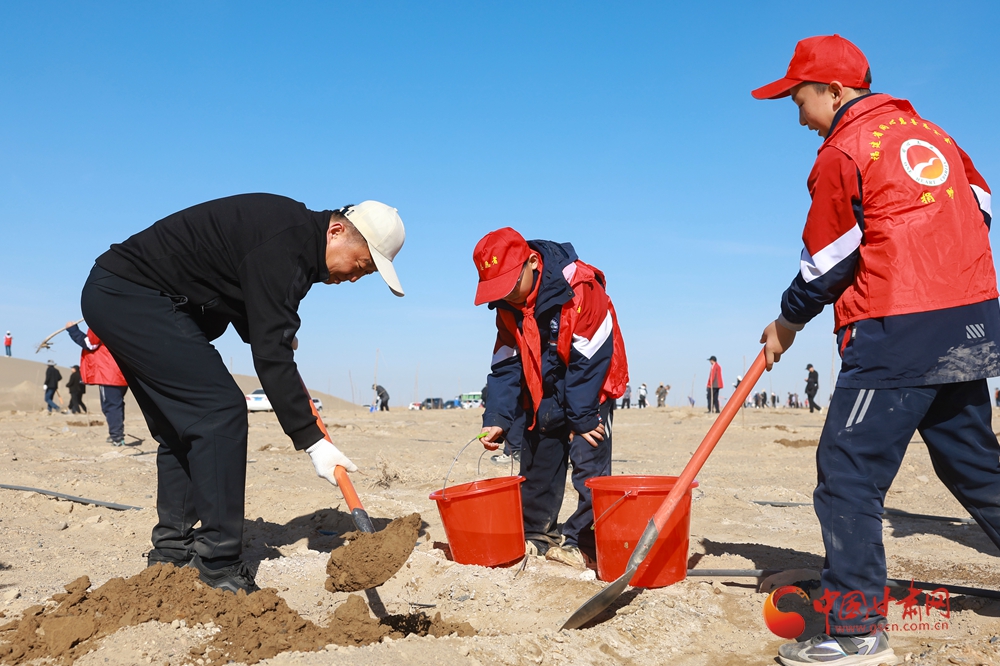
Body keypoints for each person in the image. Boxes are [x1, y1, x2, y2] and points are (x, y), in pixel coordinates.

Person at [754, 34, 1000, 666]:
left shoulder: (845, 148)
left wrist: (786, 321)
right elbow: (980, 206)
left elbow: (829, 260)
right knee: (974, 465)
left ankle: (856, 631)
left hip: (899, 327)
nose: (801, 118)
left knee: (847, 473)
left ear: (834, 91)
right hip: (971, 318)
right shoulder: (935, 134)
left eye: (800, 100)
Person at [80, 195, 405, 594]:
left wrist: (273, 331)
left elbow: (243, 296)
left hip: (124, 294)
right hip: (133, 295)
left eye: (366, 274)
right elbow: (270, 355)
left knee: (183, 427)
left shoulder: (294, 241)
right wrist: (313, 441)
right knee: (220, 411)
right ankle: (219, 566)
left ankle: (172, 551)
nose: (355, 277)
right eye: (361, 264)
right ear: (337, 231)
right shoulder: (287, 241)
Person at [474, 228, 628, 569]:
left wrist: (582, 417)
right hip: (541, 387)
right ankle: (537, 533)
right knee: (539, 455)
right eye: (497, 290)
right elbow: (506, 365)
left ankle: (584, 543)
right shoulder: (508, 305)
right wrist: (497, 418)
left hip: (590, 387)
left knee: (589, 457)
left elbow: (591, 356)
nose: (506, 296)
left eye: (510, 285)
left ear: (532, 262)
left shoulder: (580, 285)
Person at [67, 322, 129, 445]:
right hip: (123, 372)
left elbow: (90, 344)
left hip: (109, 373)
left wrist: (73, 330)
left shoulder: (102, 320)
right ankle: (117, 434)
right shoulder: (126, 322)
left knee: (110, 406)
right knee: (117, 404)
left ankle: (117, 437)